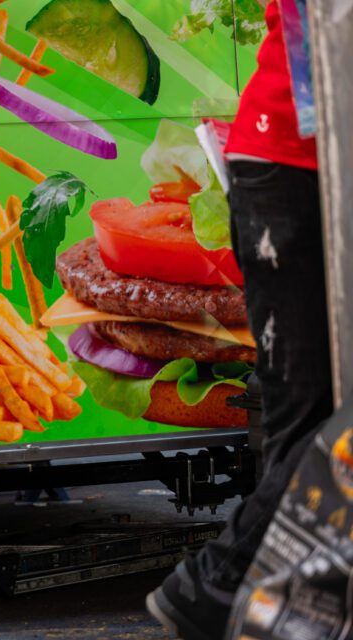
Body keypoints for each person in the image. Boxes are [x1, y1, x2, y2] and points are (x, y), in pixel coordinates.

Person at [146, 2, 333, 638]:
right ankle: (211, 588)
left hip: (308, 165)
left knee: (305, 425)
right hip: (292, 166)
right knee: (315, 418)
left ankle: (270, 609)